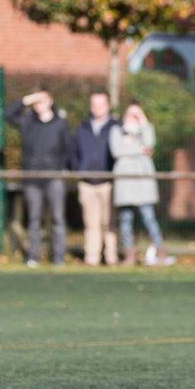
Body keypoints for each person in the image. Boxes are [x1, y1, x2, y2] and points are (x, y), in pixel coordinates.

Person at [5, 88, 72, 267]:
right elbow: (7, 114)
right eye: (36, 101)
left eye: (41, 100)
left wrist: (63, 168)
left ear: (50, 101)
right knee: (34, 219)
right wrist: (26, 99)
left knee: (58, 219)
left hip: (54, 178)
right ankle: (33, 257)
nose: (38, 104)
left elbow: (68, 149)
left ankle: (58, 257)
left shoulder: (60, 123)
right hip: (32, 179)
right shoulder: (28, 122)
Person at [110, 102, 173, 266]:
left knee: (149, 217)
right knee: (125, 219)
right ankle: (129, 254)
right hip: (125, 183)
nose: (133, 117)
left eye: (137, 114)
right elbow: (117, 151)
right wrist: (140, 150)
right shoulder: (117, 131)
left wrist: (144, 124)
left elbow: (150, 143)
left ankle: (160, 251)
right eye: (130, 113)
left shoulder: (145, 130)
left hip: (143, 183)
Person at [72, 92, 120, 266]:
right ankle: (91, 258)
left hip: (109, 182)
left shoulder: (116, 126)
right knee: (91, 223)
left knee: (110, 222)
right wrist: (79, 169)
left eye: (100, 104)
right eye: (94, 104)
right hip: (87, 182)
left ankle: (111, 257)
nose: (97, 108)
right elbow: (73, 152)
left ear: (107, 105)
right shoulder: (83, 127)